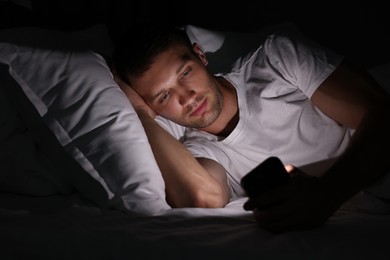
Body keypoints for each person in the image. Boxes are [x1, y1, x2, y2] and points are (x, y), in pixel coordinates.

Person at [111, 23, 390, 233]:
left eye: (185, 73)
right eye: (164, 96)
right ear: (155, 108)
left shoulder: (275, 60)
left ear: (200, 55)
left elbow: (383, 114)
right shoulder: (201, 153)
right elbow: (202, 197)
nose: (187, 97)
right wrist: (140, 115)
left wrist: (326, 194)